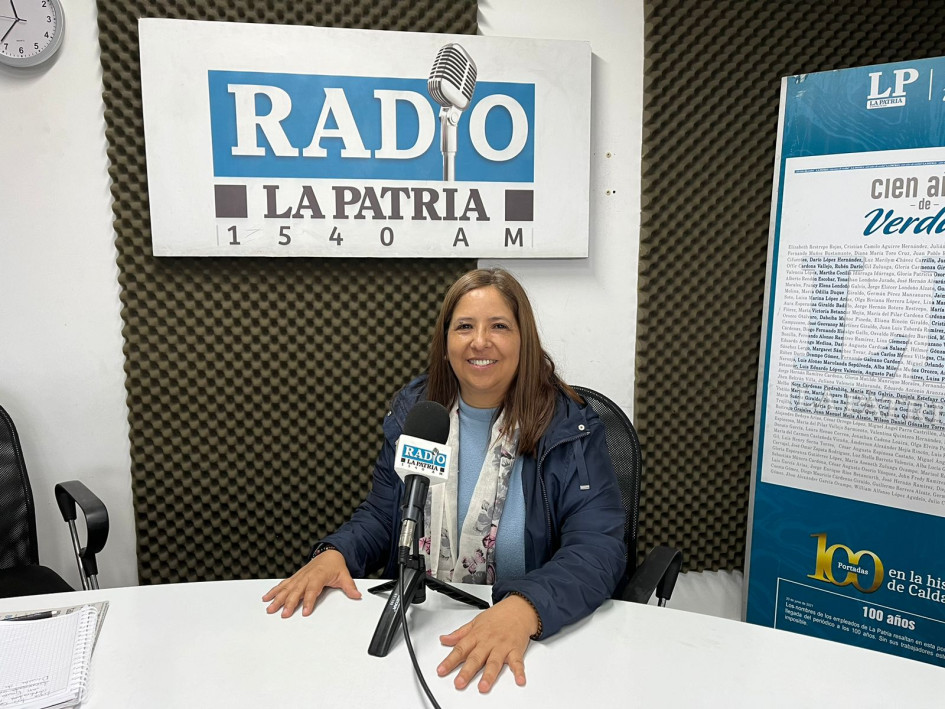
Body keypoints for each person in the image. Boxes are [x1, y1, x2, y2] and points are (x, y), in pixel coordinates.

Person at [263, 268, 626, 692]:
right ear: (446, 340)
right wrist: (336, 552)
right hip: (422, 628)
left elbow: (598, 547)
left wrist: (527, 608)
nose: (479, 341)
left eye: (499, 327)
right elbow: (385, 514)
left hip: (525, 643)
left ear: (523, 339)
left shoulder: (569, 426)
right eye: (465, 327)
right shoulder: (419, 412)